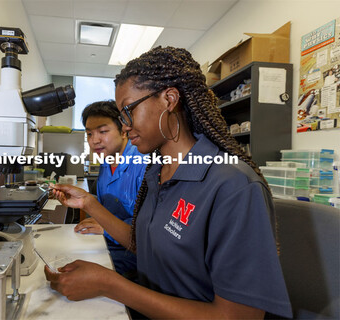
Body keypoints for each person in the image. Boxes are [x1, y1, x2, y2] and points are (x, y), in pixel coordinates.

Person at [46, 47, 292, 319]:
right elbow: (146, 244)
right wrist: (90, 203)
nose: (124, 126)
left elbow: (238, 317)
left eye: (127, 111)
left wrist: (111, 284)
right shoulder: (157, 173)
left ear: (169, 99)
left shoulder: (232, 185)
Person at [76, 100, 146, 277]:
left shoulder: (143, 163)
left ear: (123, 131)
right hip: (109, 243)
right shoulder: (106, 163)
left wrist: (106, 227)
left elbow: (149, 228)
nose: (95, 140)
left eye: (103, 131)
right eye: (89, 134)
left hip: (137, 255)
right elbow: (107, 206)